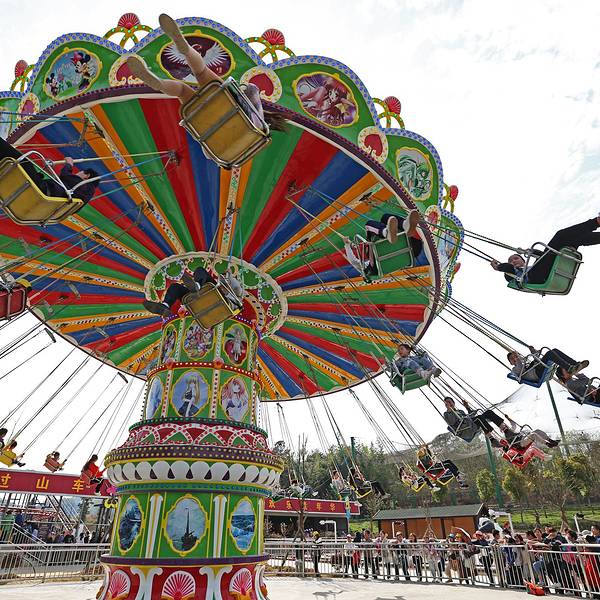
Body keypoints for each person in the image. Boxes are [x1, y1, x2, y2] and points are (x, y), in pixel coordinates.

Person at [126, 14, 286, 134]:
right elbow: (210, 155)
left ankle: (184, 52)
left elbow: (251, 88)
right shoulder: (253, 137)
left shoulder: (256, 122)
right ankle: (161, 82)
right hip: (206, 122)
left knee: (200, 71)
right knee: (182, 90)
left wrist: (246, 91)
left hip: (223, 104)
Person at [490, 213, 600, 284]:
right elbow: (508, 268)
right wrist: (499, 267)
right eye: (511, 260)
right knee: (560, 235)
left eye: (515, 258)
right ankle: (597, 221)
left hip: (546, 269)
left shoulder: (532, 267)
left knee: (575, 239)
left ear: (524, 260)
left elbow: (542, 256)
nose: (513, 261)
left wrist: (532, 251)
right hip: (536, 277)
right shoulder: (511, 274)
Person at [0, 139, 99, 205]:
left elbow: (66, 176)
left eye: (80, 172)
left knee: (24, 162)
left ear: (87, 176)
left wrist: (69, 164)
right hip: (41, 199)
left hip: (42, 191)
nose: (76, 174)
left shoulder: (84, 187)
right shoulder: (82, 198)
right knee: (29, 171)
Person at [343, 210, 422, 278]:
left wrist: (347, 245)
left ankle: (403, 226)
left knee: (385, 217)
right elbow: (354, 261)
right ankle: (388, 231)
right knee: (369, 224)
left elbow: (353, 261)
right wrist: (347, 244)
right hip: (412, 249)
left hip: (405, 255)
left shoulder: (370, 264)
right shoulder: (369, 265)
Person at [143, 266, 243, 317]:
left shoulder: (235, 292)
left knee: (200, 271)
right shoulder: (223, 285)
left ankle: (197, 286)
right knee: (175, 287)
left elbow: (236, 288)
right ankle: (165, 306)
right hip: (201, 297)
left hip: (219, 299)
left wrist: (229, 276)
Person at [507, 347, 588, 384]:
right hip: (536, 374)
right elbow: (520, 370)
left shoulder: (526, 363)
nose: (514, 358)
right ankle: (569, 368)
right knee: (549, 354)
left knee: (554, 351)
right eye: (512, 358)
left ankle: (575, 364)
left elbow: (537, 360)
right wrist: (517, 359)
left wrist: (533, 351)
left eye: (515, 356)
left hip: (538, 369)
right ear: (511, 363)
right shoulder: (514, 370)